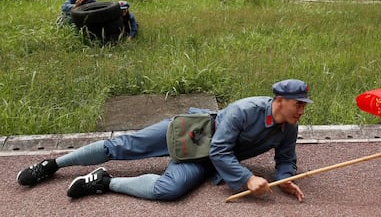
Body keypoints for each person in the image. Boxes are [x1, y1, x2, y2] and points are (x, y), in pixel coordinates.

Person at [17, 79, 313, 202]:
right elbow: (222, 150)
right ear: (280, 100)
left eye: (303, 105)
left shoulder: (289, 126)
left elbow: (286, 159)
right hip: (193, 131)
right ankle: (52, 164)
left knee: (170, 190)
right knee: (123, 145)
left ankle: (103, 182)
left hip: (206, 158)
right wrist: (248, 179)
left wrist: (283, 179)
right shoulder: (243, 110)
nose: (302, 110)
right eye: (298, 104)